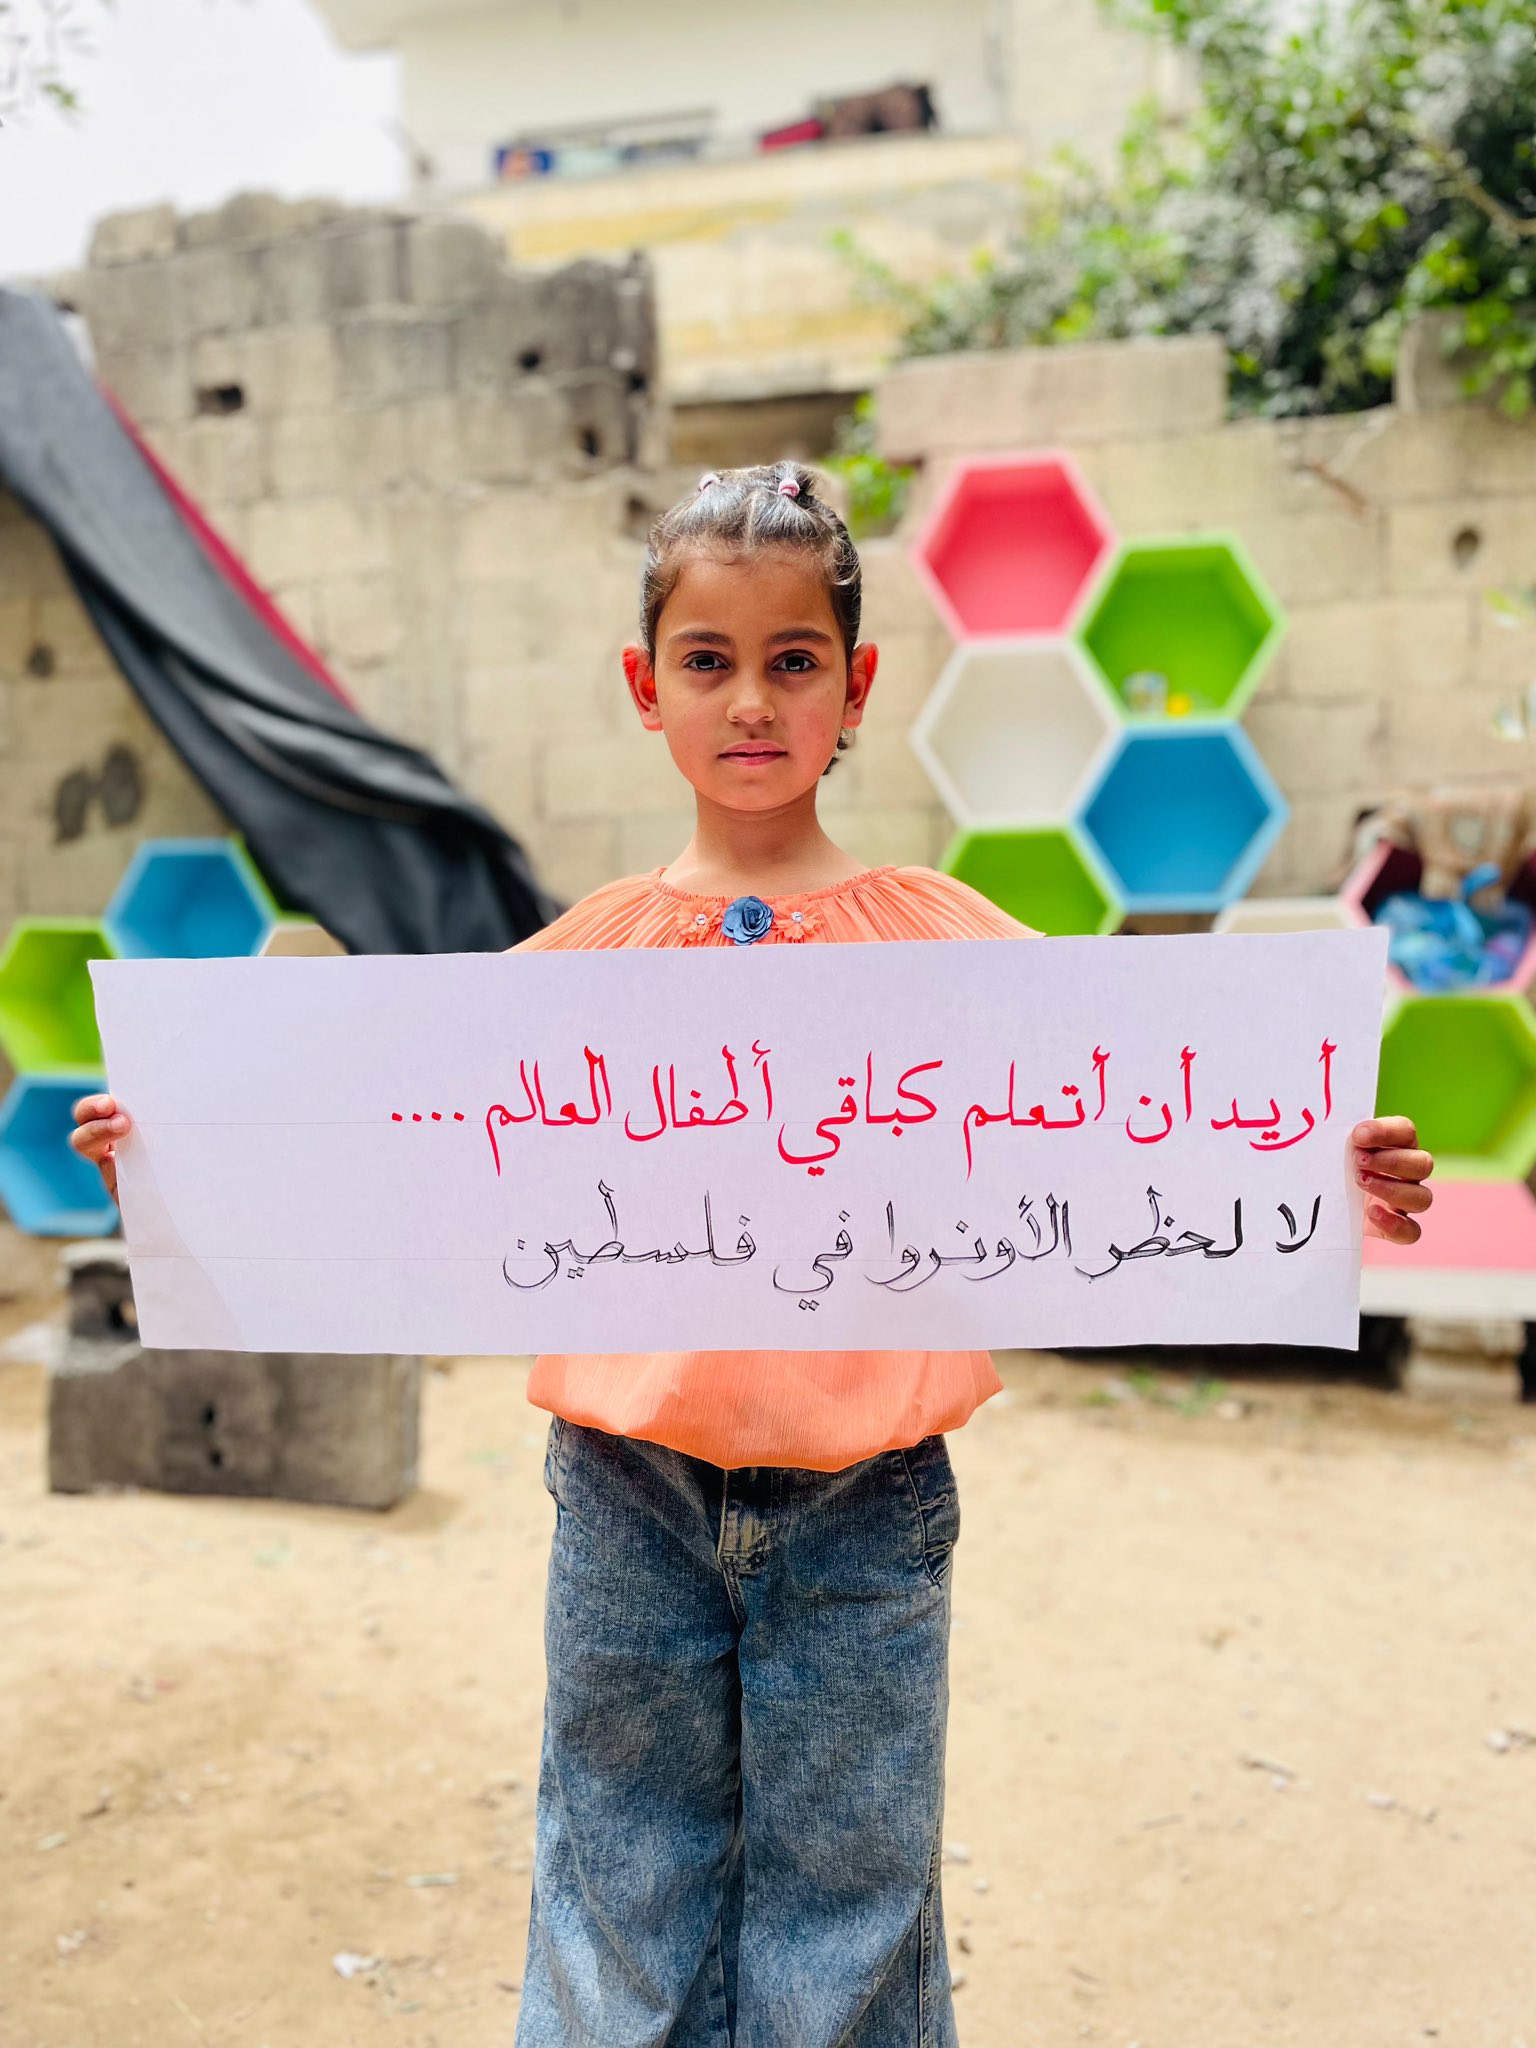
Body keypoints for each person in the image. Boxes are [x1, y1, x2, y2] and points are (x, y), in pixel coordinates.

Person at [72, 461, 1436, 2046]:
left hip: (870, 1511)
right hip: (625, 1498)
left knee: (847, 1912)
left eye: (794, 661)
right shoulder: (579, 961)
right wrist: (184, 1151)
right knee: (616, 1888)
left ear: (857, 686)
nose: (751, 700)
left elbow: (1135, 1107)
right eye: (708, 661)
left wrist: (1320, 1168)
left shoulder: (943, 939)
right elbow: (409, 1129)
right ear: (644, 687)